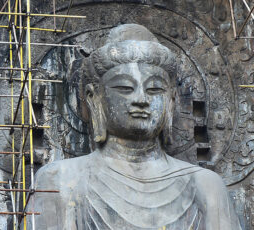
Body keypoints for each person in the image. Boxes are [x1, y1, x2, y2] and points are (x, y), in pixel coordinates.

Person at [30, 24, 242, 229]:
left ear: (171, 100)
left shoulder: (206, 186)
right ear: (94, 98)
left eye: (154, 89)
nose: (141, 99)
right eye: (124, 87)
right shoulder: (61, 179)